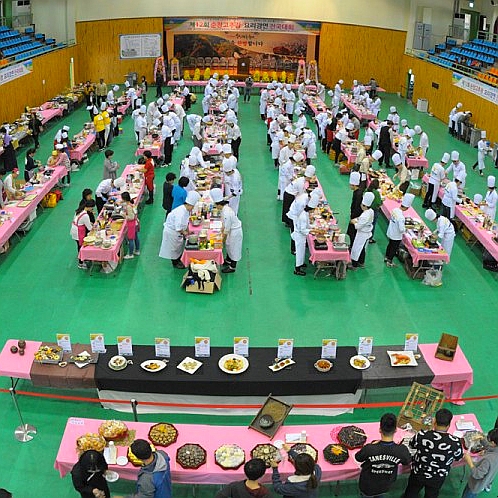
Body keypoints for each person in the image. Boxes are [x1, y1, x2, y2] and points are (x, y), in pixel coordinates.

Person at [403, 408, 463, 498]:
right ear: (449, 425)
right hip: (437, 477)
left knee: (411, 492)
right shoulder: (455, 442)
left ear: (434, 421)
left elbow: (411, 445)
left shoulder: (422, 435)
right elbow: (458, 457)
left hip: (418, 473)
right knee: (432, 494)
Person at [355, 412, 411, 498]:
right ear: (395, 430)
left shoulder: (370, 448)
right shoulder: (401, 450)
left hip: (367, 486)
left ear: (380, 429)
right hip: (386, 485)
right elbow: (407, 461)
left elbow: (358, 457)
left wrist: (374, 445)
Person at [159, 190, 201, 269]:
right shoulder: (180, 212)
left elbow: (186, 222)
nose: (192, 208)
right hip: (172, 232)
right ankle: (175, 263)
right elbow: (178, 228)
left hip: (177, 233)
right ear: (189, 204)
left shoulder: (186, 210)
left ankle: (179, 259)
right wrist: (186, 233)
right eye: (192, 206)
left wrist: (188, 231)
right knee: (174, 249)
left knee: (178, 248)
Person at [211, 188, 243, 274]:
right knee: (229, 246)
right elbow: (224, 225)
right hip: (231, 230)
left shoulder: (226, 213)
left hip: (235, 231)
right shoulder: (224, 209)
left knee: (234, 248)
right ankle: (228, 260)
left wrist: (221, 241)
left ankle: (232, 266)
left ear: (218, 205)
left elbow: (226, 230)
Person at [461, 428, 498, 498]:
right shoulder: (495, 449)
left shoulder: (488, 460)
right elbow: (490, 447)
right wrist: (482, 439)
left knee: (468, 495)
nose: (488, 441)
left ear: (493, 443)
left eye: (488, 440)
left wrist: (469, 462)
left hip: (475, 485)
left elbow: (477, 474)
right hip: (488, 479)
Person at [291, 192, 319, 276]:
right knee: (299, 252)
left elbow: (307, 225)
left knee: (302, 251)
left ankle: (301, 263)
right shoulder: (303, 216)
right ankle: (297, 269)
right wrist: (311, 231)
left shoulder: (305, 213)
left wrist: (313, 227)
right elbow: (303, 229)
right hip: (300, 236)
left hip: (302, 236)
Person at [385, 193, 414, 268]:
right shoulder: (401, 217)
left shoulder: (395, 210)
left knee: (390, 245)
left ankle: (386, 257)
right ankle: (389, 261)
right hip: (396, 235)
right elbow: (401, 229)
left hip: (391, 231)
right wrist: (406, 229)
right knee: (394, 248)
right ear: (407, 208)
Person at [350, 191, 374, 269]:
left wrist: (354, 222)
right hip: (367, 232)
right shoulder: (370, 211)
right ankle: (361, 262)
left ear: (364, 205)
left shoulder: (365, 215)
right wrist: (357, 219)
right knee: (362, 248)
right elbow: (362, 220)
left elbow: (358, 226)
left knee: (356, 248)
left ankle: (354, 265)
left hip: (362, 234)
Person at [70, 199, 96, 269]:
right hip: (79, 232)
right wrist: (94, 227)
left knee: (79, 245)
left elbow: (79, 221)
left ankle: (83, 259)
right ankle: (81, 263)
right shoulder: (85, 215)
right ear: (90, 207)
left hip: (74, 229)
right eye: (92, 208)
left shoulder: (79, 210)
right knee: (80, 246)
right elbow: (90, 228)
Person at [346, 171, 364, 248]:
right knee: (351, 232)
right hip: (354, 215)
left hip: (356, 217)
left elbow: (357, 208)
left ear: (353, 184)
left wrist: (353, 218)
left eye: (350, 185)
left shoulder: (359, 194)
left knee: (353, 233)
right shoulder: (356, 191)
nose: (349, 186)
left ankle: (352, 247)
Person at [121, 191, 140, 260]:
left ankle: (131, 254)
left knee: (130, 239)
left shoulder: (128, 206)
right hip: (135, 222)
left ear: (124, 199)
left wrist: (124, 215)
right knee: (136, 237)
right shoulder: (132, 204)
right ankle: (137, 250)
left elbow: (131, 217)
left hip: (131, 224)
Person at [367, 178, 383, 243]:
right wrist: (381, 201)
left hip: (367, 209)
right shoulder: (376, 193)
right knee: (372, 224)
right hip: (374, 210)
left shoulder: (367, 190)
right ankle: (370, 238)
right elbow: (378, 203)